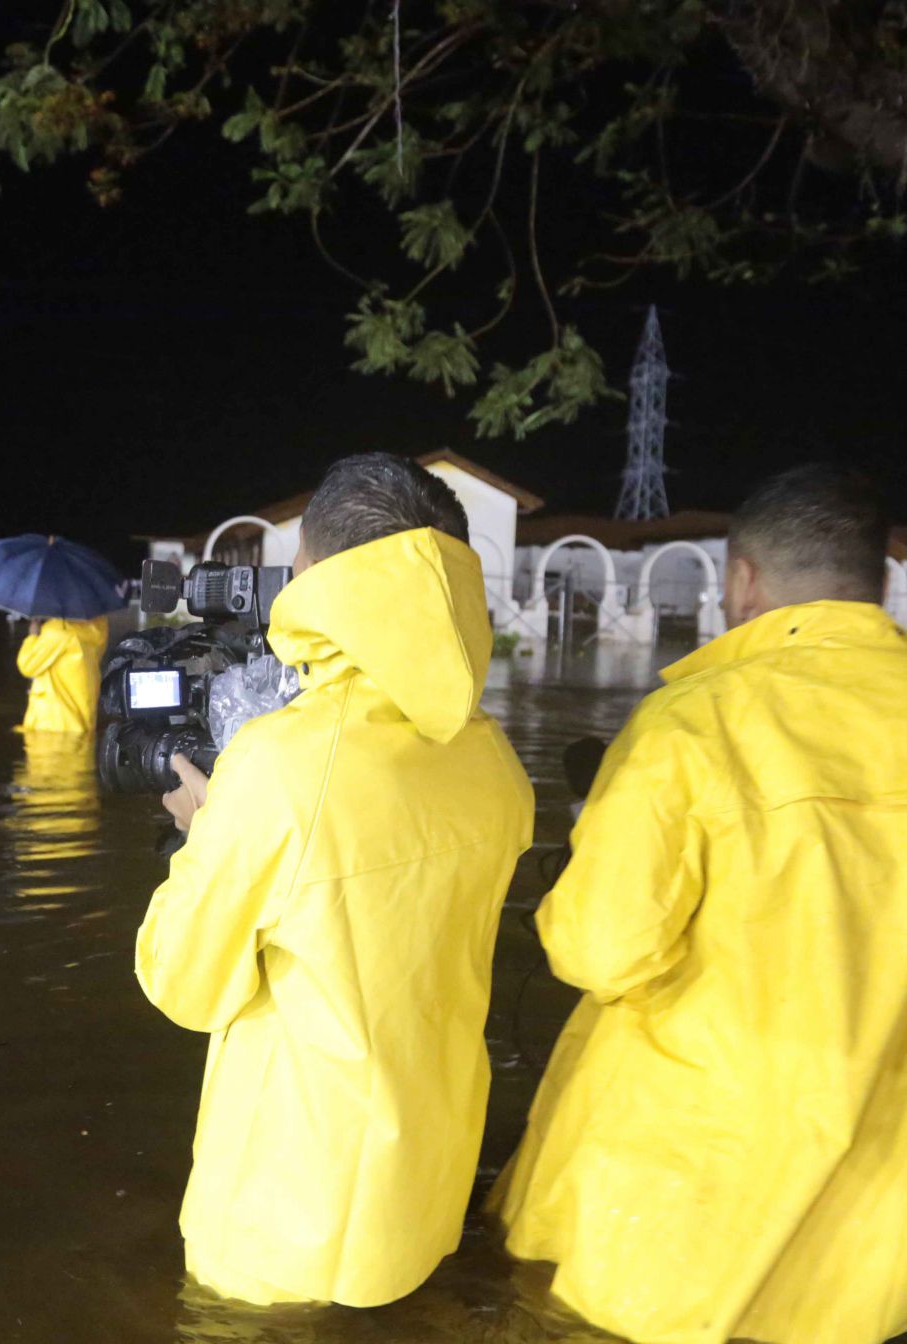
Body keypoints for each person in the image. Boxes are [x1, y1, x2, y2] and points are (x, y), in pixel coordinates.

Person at [487, 464, 907, 1344]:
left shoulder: (695, 727)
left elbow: (601, 951)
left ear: (742, 580)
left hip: (683, 1207)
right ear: (880, 583)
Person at [135, 453, 535, 1308]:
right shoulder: (496, 760)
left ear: (315, 575)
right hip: (421, 1195)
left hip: (279, 1226)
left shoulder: (281, 766)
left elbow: (182, 984)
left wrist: (201, 838)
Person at [16, 615, 107, 735]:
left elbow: (27, 665)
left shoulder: (57, 630)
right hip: (84, 719)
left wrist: (33, 635)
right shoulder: (99, 626)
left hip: (53, 722)